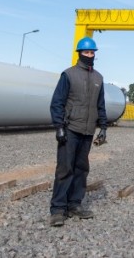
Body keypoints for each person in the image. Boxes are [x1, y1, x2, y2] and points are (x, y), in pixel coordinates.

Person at [48, 36, 108, 227]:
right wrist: (59, 127)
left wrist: (104, 127)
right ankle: (58, 209)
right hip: (70, 129)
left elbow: (101, 106)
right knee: (65, 168)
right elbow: (57, 102)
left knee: (82, 169)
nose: (89, 55)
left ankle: (75, 204)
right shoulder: (68, 75)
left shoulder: (99, 78)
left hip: (88, 130)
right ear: (79, 53)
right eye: (86, 52)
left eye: (92, 52)